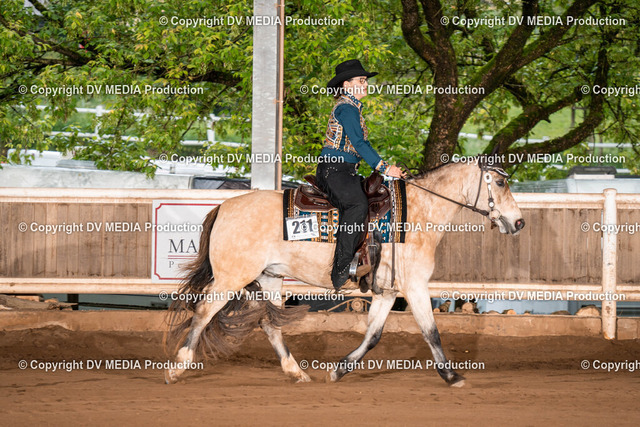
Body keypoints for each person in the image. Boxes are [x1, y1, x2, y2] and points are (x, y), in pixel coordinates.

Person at [315, 59, 406, 291]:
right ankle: (341, 269)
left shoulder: (352, 108)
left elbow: (360, 145)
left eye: (366, 81)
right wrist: (385, 168)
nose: (366, 85)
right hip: (334, 170)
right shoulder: (346, 108)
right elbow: (359, 143)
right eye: (361, 81)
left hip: (344, 170)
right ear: (347, 85)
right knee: (357, 205)